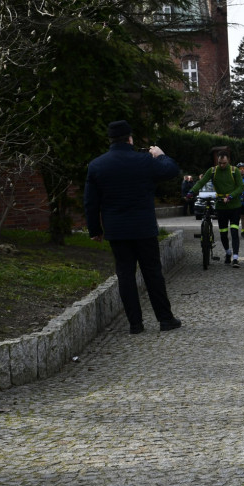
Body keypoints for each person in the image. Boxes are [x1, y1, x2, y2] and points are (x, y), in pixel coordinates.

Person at [84, 120, 182, 334]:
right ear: (130, 138)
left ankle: (135, 324)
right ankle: (165, 319)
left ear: (110, 139)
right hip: (143, 227)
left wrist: (95, 230)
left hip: (117, 230)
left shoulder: (97, 165)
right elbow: (172, 170)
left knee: (125, 275)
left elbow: (91, 202)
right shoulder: (144, 161)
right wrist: (160, 154)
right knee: (153, 273)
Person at [190, 151, 244, 267]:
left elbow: (240, 187)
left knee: (234, 231)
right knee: (223, 233)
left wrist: (230, 196)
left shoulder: (234, 171)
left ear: (228, 161)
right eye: (220, 163)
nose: (222, 165)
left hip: (234, 206)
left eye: (224, 163)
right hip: (221, 206)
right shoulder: (213, 171)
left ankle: (235, 258)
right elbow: (202, 182)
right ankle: (228, 252)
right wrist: (192, 191)